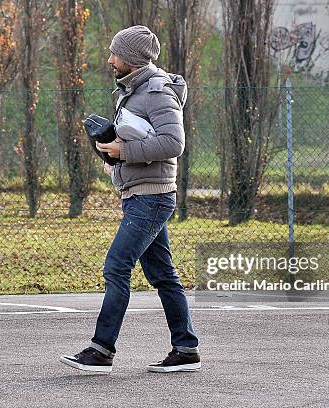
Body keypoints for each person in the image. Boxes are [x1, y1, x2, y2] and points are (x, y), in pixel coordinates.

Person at [59, 25, 200, 374]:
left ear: (132, 59)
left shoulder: (157, 92)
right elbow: (142, 143)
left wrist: (124, 151)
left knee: (117, 266)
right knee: (164, 275)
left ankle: (101, 350)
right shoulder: (133, 90)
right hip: (139, 192)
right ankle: (185, 349)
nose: (110, 59)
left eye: (115, 54)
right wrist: (114, 158)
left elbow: (173, 144)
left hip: (152, 198)